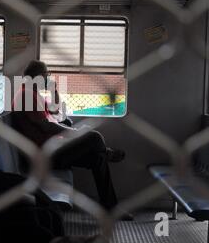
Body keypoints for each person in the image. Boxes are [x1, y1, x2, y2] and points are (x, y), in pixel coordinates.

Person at [11, 60, 133, 219]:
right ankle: (106, 153)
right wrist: (76, 132)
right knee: (94, 138)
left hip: (53, 148)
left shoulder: (34, 94)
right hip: (43, 156)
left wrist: (53, 90)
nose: (48, 78)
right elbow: (47, 126)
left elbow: (58, 114)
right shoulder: (26, 95)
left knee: (98, 157)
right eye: (45, 75)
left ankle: (110, 207)